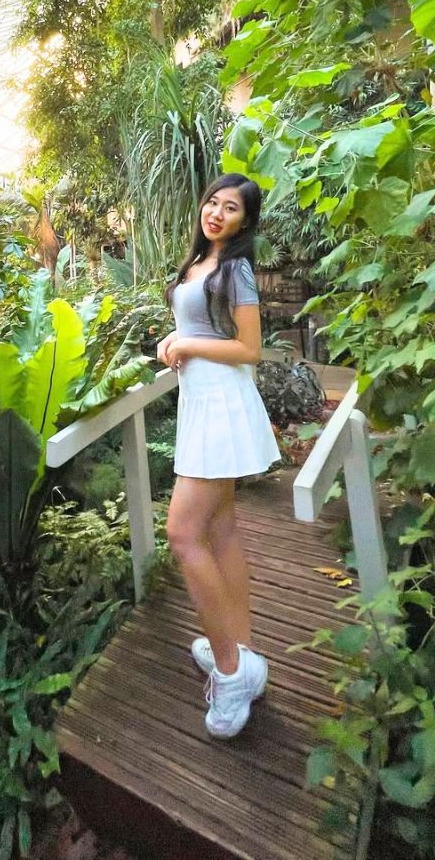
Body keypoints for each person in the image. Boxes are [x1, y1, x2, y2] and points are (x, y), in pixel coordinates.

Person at [157, 172, 280, 739]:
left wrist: (185, 344)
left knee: (183, 534)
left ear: (244, 222)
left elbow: (249, 348)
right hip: (201, 404)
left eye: (230, 208)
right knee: (222, 528)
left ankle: (230, 673)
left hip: (222, 406)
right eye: (212, 201)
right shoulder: (199, 264)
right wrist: (173, 339)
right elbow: (196, 327)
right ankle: (242, 652)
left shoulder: (237, 269)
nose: (216, 212)